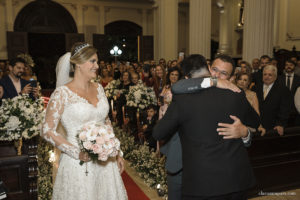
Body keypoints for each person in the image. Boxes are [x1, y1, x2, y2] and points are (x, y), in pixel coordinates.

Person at [154, 54, 260, 200]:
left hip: (206, 182)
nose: (216, 75)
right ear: (209, 68)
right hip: (229, 180)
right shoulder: (236, 94)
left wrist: (244, 132)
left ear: (230, 77)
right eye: (215, 70)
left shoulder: (234, 92)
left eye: (223, 73)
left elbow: (255, 123)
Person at [42, 42, 127, 200]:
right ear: (78, 64)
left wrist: (116, 153)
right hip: (77, 164)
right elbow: (47, 130)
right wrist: (76, 153)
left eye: (97, 61)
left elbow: (106, 121)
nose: (97, 66)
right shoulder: (62, 93)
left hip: (105, 162)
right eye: (92, 61)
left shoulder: (99, 88)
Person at [253, 65, 292, 135]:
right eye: (265, 74)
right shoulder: (255, 88)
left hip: (274, 128)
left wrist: (280, 124)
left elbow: (285, 109)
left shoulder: (283, 90)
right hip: (256, 127)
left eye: (270, 75)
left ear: (275, 77)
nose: (266, 77)